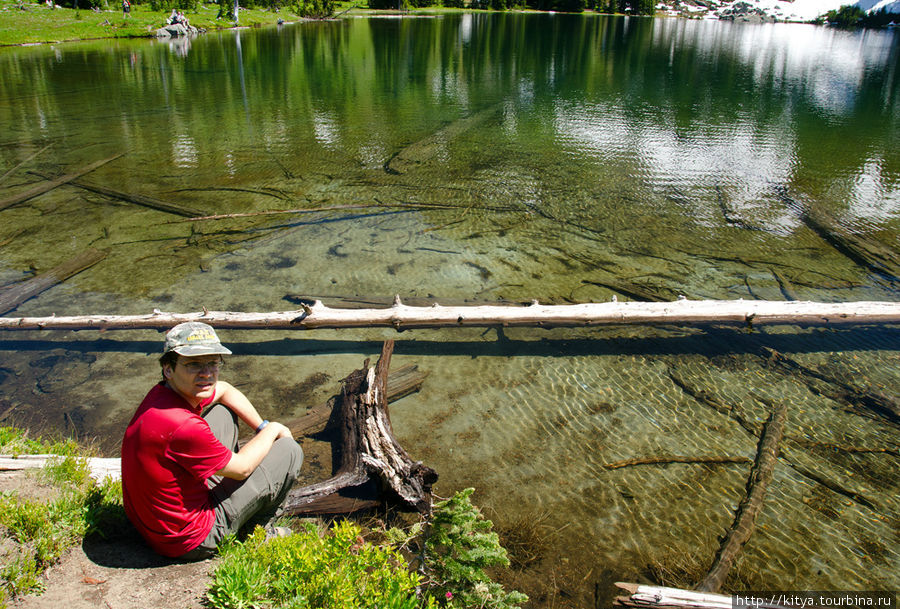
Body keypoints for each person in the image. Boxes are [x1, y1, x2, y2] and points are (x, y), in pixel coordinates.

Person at [121, 322, 303, 560]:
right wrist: (273, 430)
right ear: (168, 369)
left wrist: (261, 426)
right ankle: (259, 531)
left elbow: (225, 390)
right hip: (191, 539)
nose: (206, 373)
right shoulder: (183, 425)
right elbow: (242, 469)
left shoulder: (161, 395)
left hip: (153, 524)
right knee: (289, 450)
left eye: (213, 363)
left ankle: (236, 502)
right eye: (193, 364)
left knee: (223, 414)